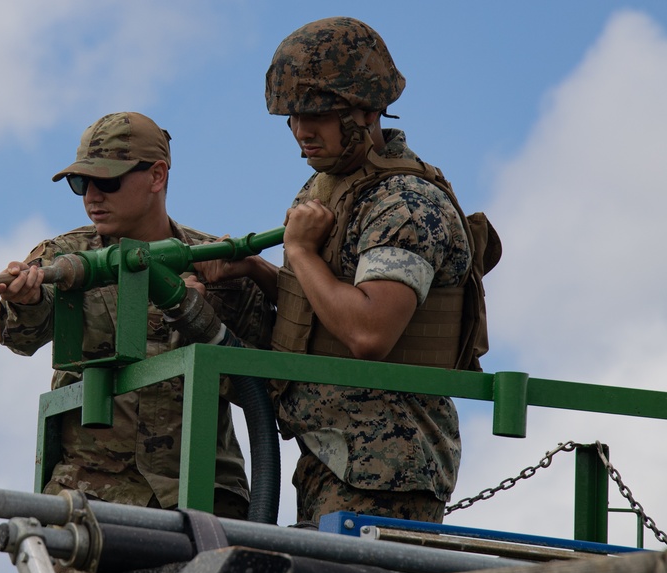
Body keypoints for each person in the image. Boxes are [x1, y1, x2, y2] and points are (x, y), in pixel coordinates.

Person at [198, 17, 492, 527]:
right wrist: (259, 270)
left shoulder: (406, 202)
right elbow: (320, 305)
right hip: (330, 455)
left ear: (368, 109)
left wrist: (302, 253)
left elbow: (368, 330)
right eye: (291, 115)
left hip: (387, 469)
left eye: (319, 113)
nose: (301, 130)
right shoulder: (328, 187)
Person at [0, 111, 274, 521]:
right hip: (93, 494)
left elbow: (264, 384)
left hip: (205, 495)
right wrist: (26, 300)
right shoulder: (65, 257)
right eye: (80, 183)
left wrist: (203, 315)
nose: (91, 196)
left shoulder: (220, 264)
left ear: (157, 176)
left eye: (107, 181)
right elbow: (20, 338)